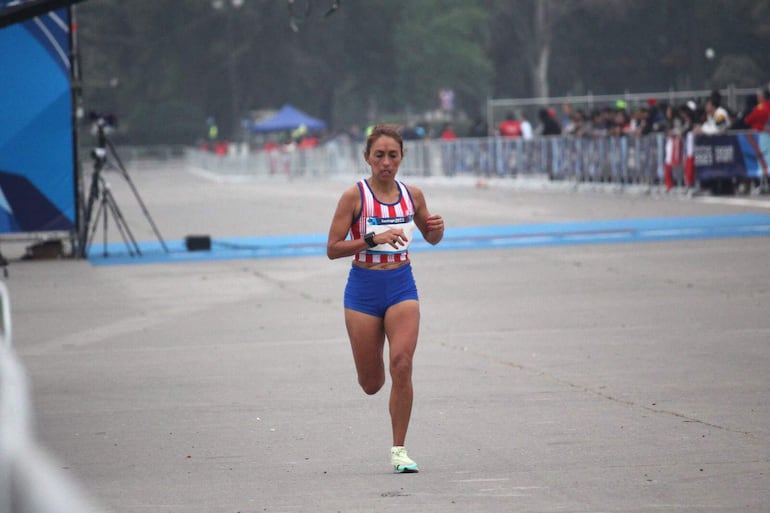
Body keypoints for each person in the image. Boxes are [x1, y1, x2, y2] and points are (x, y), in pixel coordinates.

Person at [326, 125, 444, 473]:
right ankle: (373, 378)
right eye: (379, 155)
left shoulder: (414, 195)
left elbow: (432, 237)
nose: (386, 162)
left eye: (393, 155)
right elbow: (332, 249)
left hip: (401, 286)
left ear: (402, 157)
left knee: (403, 364)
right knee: (372, 383)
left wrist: (437, 229)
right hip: (363, 290)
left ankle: (399, 450)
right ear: (367, 158)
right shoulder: (354, 197)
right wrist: (371, 239)